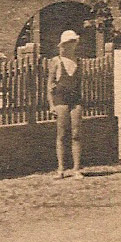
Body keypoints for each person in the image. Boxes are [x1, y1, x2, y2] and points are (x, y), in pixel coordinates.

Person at [47, 29, 84, 179]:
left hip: (75, 99)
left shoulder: (79, 61)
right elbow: (50, 85)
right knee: (62, 134)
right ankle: (61, 169)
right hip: (60, 99)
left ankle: (76, 169)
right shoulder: (56, 61)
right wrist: (51, 104)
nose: (72, 45)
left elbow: (79, 83)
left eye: (74, 42)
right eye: (69, 43)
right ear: (64, 45)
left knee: (76, 134)